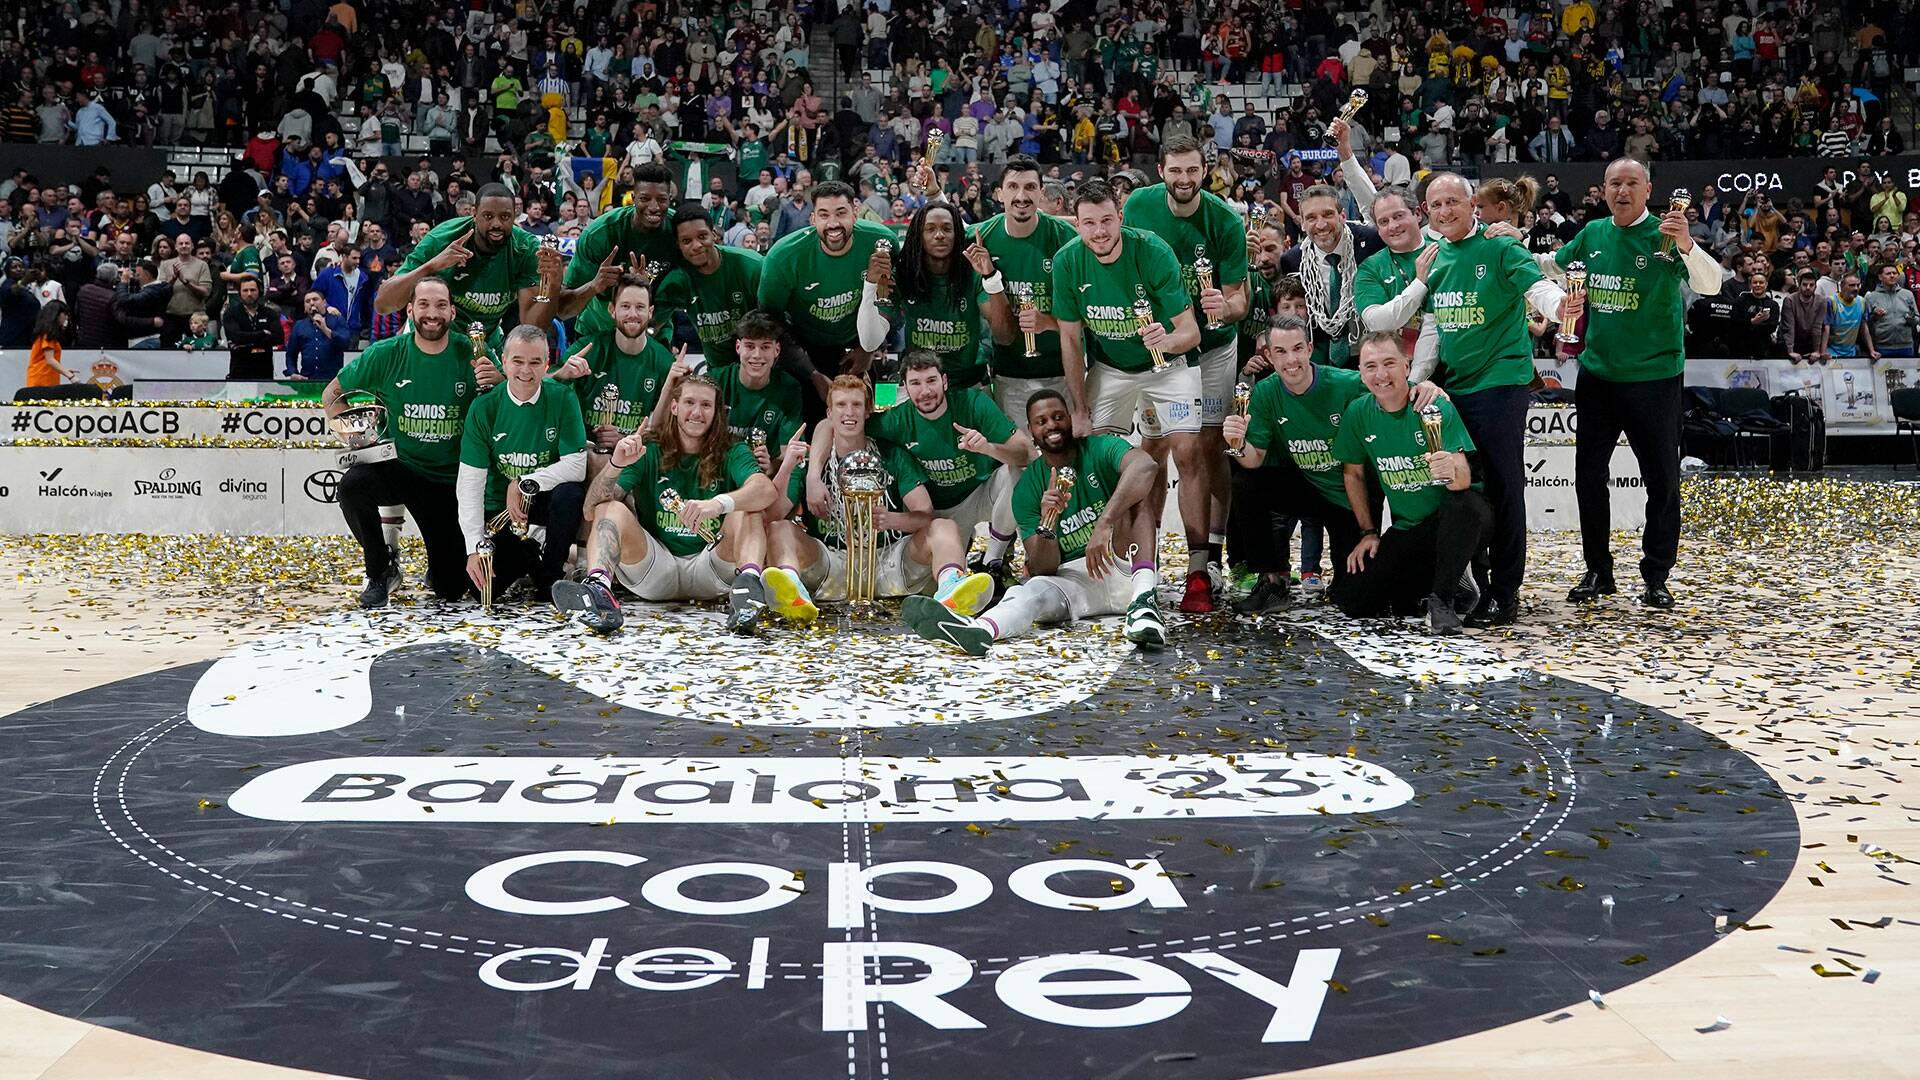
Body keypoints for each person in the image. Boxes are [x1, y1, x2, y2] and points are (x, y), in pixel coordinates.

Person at [1554, 158, 1724, 611]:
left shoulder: (1667, 236)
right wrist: (1515, 247)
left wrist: (1687, 243)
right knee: (1588, 479)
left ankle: (1656, 576)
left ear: (1648, 189)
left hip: (1655, 380)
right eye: (1615, 183)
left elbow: (1711, 285)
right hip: (1598, 377)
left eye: (1632, 183)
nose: (1622, 191)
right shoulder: (1592, 234)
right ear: (1603, 190)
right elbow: (1555, 269)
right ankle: (1598, 570)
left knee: (1662, 482)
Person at [901, 389, 1168, 654]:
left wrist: (1105, 522)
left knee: (1136, 500)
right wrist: (1048, 521)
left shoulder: (1100, 447)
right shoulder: (1027, 488)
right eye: (1042, 421)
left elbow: (1146, 466)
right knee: (1029, 591)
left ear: (1071, 420)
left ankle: (1144, 604)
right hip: (1075, 582)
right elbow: (1042, 568)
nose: (1052, 425)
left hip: (1122, 566)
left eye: (1058, 417)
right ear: (1031, 431)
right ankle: (979, 630)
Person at [1413, 173, 1569, 627]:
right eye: (1436, 205)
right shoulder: (1434, 260)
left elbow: (1537, 289)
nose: (1444, 211)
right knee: (1467, 488)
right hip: (1454, 388)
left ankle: (1505, 591)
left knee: (1504, 486)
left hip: (1500, 383)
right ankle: (1475, 583)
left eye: (1452, 202)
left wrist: (1563, 307)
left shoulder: (1502, 247)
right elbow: (1433, 329)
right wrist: (1416, 379)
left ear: (1472, 205)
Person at [1050, 177, 1211, 611]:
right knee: (1102, 460)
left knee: (1188, 449)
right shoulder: (1068, 262)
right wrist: (1079, 409)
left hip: (1168, 366)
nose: (1099, 232)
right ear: (1077, 226)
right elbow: (1070, 340)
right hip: (1112, 368)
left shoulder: (1153, 251)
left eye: (1106, 221)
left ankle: (1199, 569)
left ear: (1120, 217)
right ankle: (1131, 569)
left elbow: (1190, 331)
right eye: (1089, 224)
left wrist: (1166, 339)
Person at [1123, 133, 1251, 606]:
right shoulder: (1138, 205)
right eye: (1175, 171)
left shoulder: (1223, 219)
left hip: (1214, 345)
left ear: (1206, 171)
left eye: (1192, 171)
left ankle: (1208, 561)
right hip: (1163, 348)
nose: (1183, 179)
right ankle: (1146, 567)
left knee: (1207, 448)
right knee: (1156, 449)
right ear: (1161, 171)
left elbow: (1241, 298)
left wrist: (1227, 305)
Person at [550, 373, 775, 636]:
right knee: (607, 508)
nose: (697, 412)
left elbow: (765, 490)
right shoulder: (648, 449)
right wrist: (616, 464)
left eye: (706, 405)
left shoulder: (734, 450)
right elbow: (590, 509)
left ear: (716, 412)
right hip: (656, 566)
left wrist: (718, 504)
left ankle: (747, 591)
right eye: (690, 402)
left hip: (712, 564)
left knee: (749, 509)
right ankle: (598, 591)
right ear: (674, 407)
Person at [324, 278, 501, 607]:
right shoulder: (386, 354)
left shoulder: (473, 352)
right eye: (424, 305)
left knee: (450, 588)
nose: (432, 313)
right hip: (404, 468)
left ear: (452, 311)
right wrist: (356, 435)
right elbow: (331, 394)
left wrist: (500, 382)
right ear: (410, 310)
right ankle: (380, 570)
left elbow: (508, 404)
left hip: (453, 480)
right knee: (352, 486)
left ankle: (440, 566)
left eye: (440, 305)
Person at [763, 376, 995, 622]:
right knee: (780, 529)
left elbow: (925, 514)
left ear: (868, 412)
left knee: (943, 526)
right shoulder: (811, 463)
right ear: (829, 413)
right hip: (830, 563)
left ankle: (951, 591)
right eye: (841, 405)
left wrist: (892, 520)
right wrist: (788, 467)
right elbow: (773, 515)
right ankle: (791, 591)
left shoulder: (892, 455)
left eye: (856, 405)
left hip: (888, 561)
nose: (849, 412)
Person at [1330, 332, 1491, 635]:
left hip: (1458, 521)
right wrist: (1368, 532)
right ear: (1361, 373)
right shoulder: (1359, 413)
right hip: (1409, 530)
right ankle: (1446, 581)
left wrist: (1450, 468)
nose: (1381, 375)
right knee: (1354, 601)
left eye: (1389, 363)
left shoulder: (1432, 405)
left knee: (1463, 503)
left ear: (1407, 365)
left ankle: (1443, 598)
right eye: (1371, 366)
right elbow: (1353, 473)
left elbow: (1464, 481)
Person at [1221, 315, 1377, 613]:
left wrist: (1427, 389)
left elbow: (1394, 389)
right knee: (1245, 481)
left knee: (1357, 601)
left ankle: (1348, 580)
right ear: (1268, 355)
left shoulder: (1346, 383)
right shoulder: (1266, 392)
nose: (1290, 360)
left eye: (1296, 349)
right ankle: (1271, 581)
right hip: (1307, 488)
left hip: (1350, 497)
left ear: (1309, 348)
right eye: (1280, 351)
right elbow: (1254, 460)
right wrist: (1238, 445)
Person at [854, 351, 1032, 578]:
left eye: (931, 381)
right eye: (915, 383)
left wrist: (988, 448)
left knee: (1021, 472)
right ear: (905, 388)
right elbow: (837, 426)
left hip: (977, 494)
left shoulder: (974, 403)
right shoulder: (896, 420)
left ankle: (992, 560)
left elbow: (1027, 452)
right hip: (934, 513)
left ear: (944, 381)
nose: (925, 391)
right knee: (940, 575)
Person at [457, 324, 589, 602]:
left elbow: (576, 466)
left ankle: (551, 573)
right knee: (481, 591)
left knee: (570, 494)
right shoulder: (484, 408)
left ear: (547, 364)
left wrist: (524, 483)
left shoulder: (563, 398)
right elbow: (470, 483)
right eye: (517, 361)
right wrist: (475, 548)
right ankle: (527, 553)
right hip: (500, 513)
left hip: (543, 503)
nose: (525, 371)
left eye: (534, 362)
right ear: (503, 362)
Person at [757, 180, 896, 409]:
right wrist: (810, 372)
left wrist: (868, 350)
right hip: (806, 348)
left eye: (841, 213)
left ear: (855, 212)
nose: (833, 224)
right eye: (823, 215)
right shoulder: (783, 257)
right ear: (813, 219)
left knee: (869, 418)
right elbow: (771, 323)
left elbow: (893, 298)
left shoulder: (881, 241)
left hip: (859, 341)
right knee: (812, 425)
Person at [375, 183, 565, 342]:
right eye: (488, 216)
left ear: (515, 215)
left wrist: (553, 286)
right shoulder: (442, 239)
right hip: (432, 336)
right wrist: (432, 266)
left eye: (505, 217)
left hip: (484, 340)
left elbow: (531, 326)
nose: (497, 224)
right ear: (474, 213)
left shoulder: (525, 248)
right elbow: (383, 304)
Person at [859, 200, 1014, 390]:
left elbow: (1005, 337)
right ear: (918, 236)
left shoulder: (974, 272)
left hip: (970, 384)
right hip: (919, 386)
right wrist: (870, 285)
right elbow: (869, 342)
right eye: (930, 229)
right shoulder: (903, 274)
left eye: (947, 229)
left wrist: (991, 277)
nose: (939, 235)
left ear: (957, 234)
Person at [972, 155, 1080, 421]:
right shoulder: (980, 238)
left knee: (1067, 458)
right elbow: (942, 229)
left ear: (1041, 192)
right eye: (1013, 187)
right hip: (1009, 374)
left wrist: (1049, 322)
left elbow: (1090, 314)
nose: (1022, 196)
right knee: (1020, 461)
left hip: (1064, 372)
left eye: (1030, 187)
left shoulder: (1067, 239)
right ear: (999, 193)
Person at [655, 310, 804, 458]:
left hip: (761, 476)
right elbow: (659, 430)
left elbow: (789, 453)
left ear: (776, 350)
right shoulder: (715, 381)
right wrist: (669, 386)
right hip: (715, 471)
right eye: (750, 346)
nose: (757, 355)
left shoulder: (789, 389)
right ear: (738, 347)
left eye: (765, 347)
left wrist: (770, 467)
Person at [559, 163, 681, 339]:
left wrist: (644, 288)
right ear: (633, 197)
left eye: (661, 200)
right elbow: (563, 309)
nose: (654, 207)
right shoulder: (599, 233)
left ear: (670, 199)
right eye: (645, 198)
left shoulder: (680, 231)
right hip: (597, 333)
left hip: (653, 333)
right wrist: (595, 285)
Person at [654, 202, 763, 367]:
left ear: (714, 234)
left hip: (760, 366)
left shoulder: (751, 265)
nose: (696, 245)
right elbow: (651, 325)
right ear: (678, 244)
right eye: (686, 240)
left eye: (702, 236)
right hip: (717, 371)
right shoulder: (677, 280)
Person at [221, 276, 279, 379]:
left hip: (264, 371)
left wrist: (245, 344)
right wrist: (262, 333)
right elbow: (235, 336)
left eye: (253, 290)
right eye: (245, 290)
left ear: (259, 291)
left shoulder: (270, 313)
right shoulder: (231, 313)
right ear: (239, 292)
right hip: (239, 370)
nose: (249, 294)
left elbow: (278, 337)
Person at [284, 289, 350, 380]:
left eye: (315, 299)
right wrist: (293, 373)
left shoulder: (337, 320)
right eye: (307, 301)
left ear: (324, 302)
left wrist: (325, 329)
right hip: (307, 380)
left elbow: (345, 343)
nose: (311, 303)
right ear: (304, 307)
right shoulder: (299, 326)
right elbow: (291, 353)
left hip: (332, 381)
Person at [1865, 262, 1918, 358]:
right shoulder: (1871, 297)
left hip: (1906, 345)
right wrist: (1875, 315)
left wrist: (1911, 319)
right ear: (1880, 277)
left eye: (1894, 273)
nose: (1892, 276)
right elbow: (1866, 323)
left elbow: (1917, 318)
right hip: (1882, 346)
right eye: (1888, 273)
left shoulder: (1908, 294)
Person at [1823, 272, 1875, 360]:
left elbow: (1864, 328)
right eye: (1851, 285)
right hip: (1832, 352)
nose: (1855, 288)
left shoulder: (1862, 302)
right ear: (1842, 286)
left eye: (1858, 285)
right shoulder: (1831, 302)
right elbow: (1826, 328)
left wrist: (1872, 350)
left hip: (1852, 352)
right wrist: (1823, 352)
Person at [25, 301, 74, 386]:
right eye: (65, 314)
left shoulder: (44, 333)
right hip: (42, 380)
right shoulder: (48, 335)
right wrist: (70, 376)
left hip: (45, 378)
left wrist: (64, 370)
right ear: (56, 315)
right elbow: (50, 360)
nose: (66, 317)